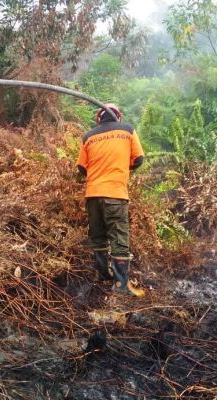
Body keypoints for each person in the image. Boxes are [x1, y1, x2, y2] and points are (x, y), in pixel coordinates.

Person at [77, 103, 146, 297]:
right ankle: (120, 285)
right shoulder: (128, 130)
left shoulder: (88, 136)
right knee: (119, 238)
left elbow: (82, 168)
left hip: (93, 195)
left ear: (99, 118)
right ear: (118, 116)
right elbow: (139, 159)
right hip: (115, 193)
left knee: (98, 235)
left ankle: (101, 274)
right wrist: (121, 167)